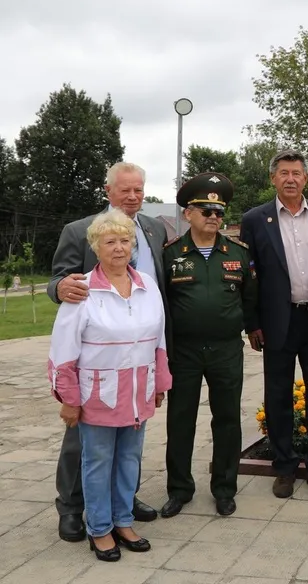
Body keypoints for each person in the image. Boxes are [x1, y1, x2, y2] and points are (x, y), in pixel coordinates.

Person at [47, 162, 167, 541]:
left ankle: (123, 505)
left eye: (138, 190)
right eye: (124, 190)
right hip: (94, 353)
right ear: (108, 190)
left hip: (140, 350)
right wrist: (61, 288)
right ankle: (71, 507)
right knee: (82, 442)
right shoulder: (79, 230)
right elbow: (58, 280)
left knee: (128, 443)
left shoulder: (155, 227)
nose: (133, 197)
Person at [239, 150, 308, 499]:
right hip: (276, 322)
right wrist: (252, 322)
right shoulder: (255, 219)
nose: (291, 179)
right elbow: (248, 276)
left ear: (306, 178)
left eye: (296, 173)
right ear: (273, 178)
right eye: (284, 173)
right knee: (278, 395)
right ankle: (284, 467)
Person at [160, 173, 258, 518]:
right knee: (180, 419)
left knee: (228, 419)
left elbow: (250, 299)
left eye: (219, 211)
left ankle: (224, 488)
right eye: (205, 210)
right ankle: (180, 489)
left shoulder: (237, 253)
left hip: (226, 349)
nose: (214, 217)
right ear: (188, 213)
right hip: (183, 351)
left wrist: (253, 329)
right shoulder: (170, 255)